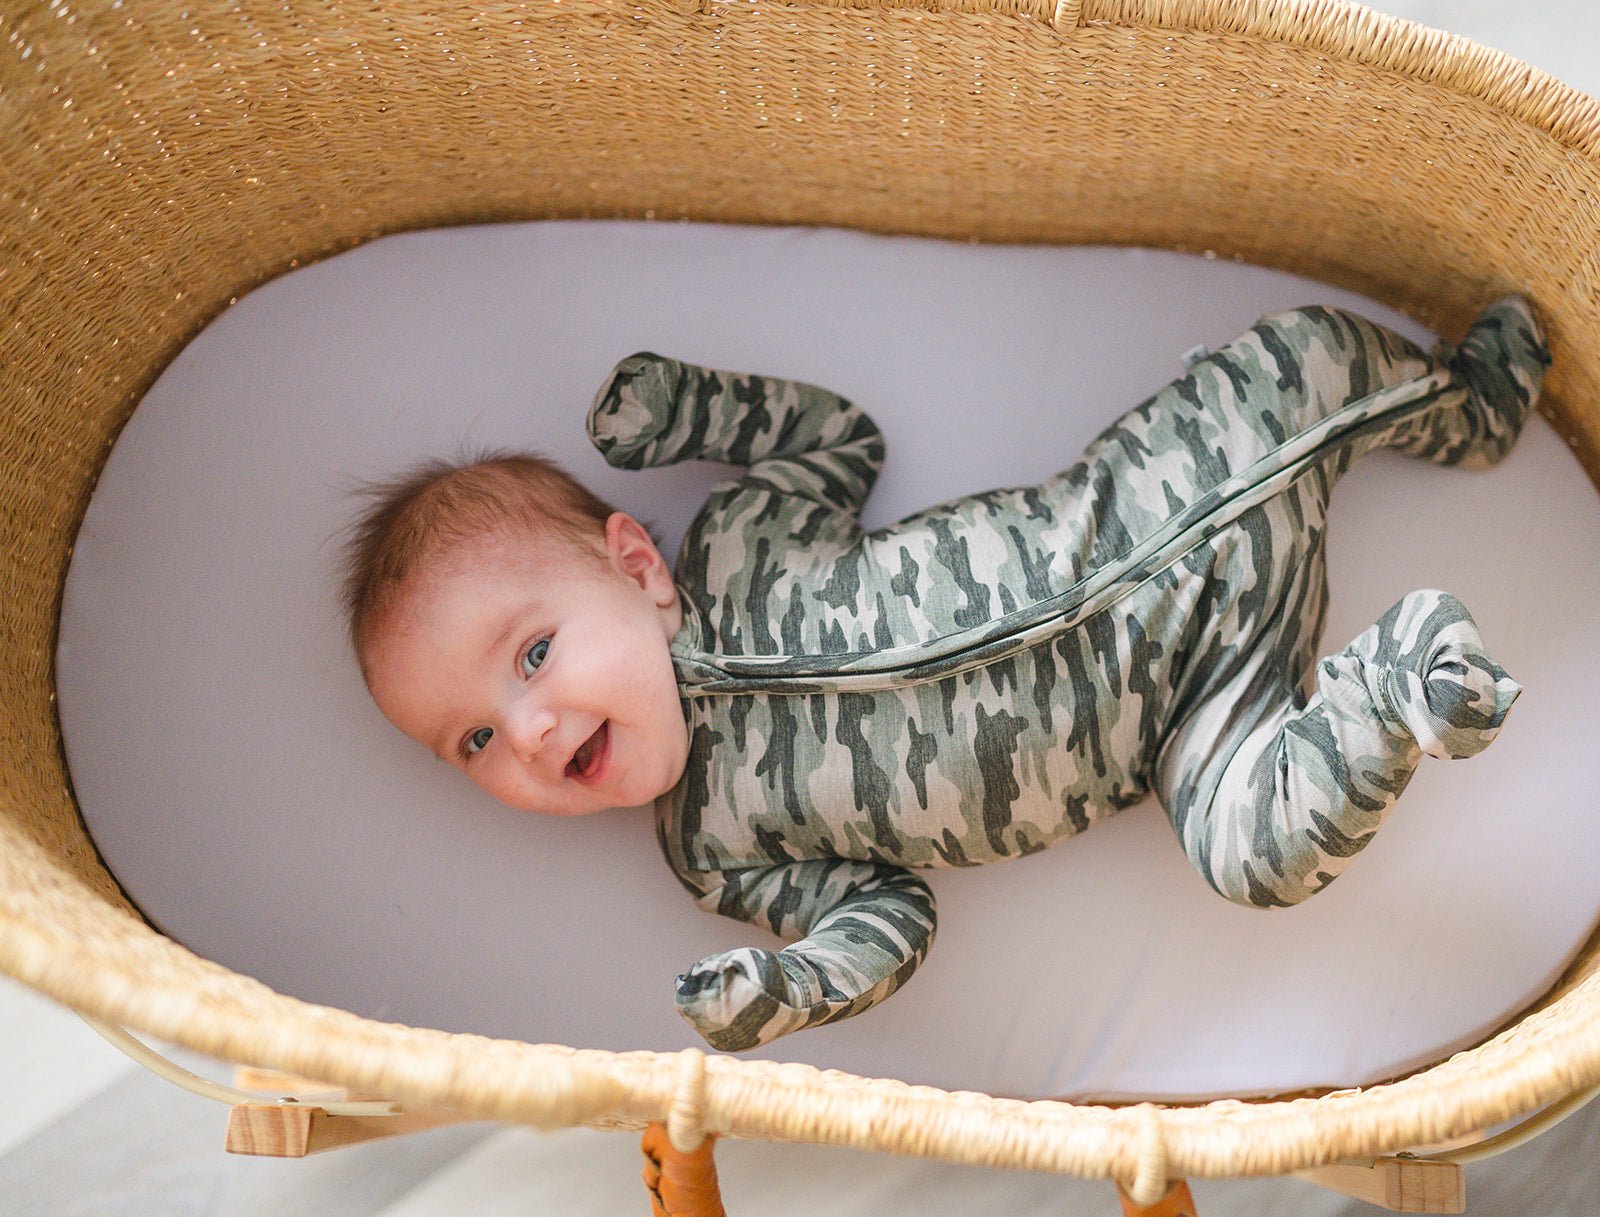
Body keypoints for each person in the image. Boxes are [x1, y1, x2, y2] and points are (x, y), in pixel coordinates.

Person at [342, 295, 1548, 1052]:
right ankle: (1394, 686)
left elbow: (837, 438)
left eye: (532, 654)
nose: (529, 728)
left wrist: (691, 412)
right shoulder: (715, 847)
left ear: (636, 564)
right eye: (474, 741)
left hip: (1147, 491)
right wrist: (795, 982)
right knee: (1257, 855)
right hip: (1187, 716)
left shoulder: (742, 539)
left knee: (1300, 351)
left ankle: (1468, 405)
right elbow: (891, 915)